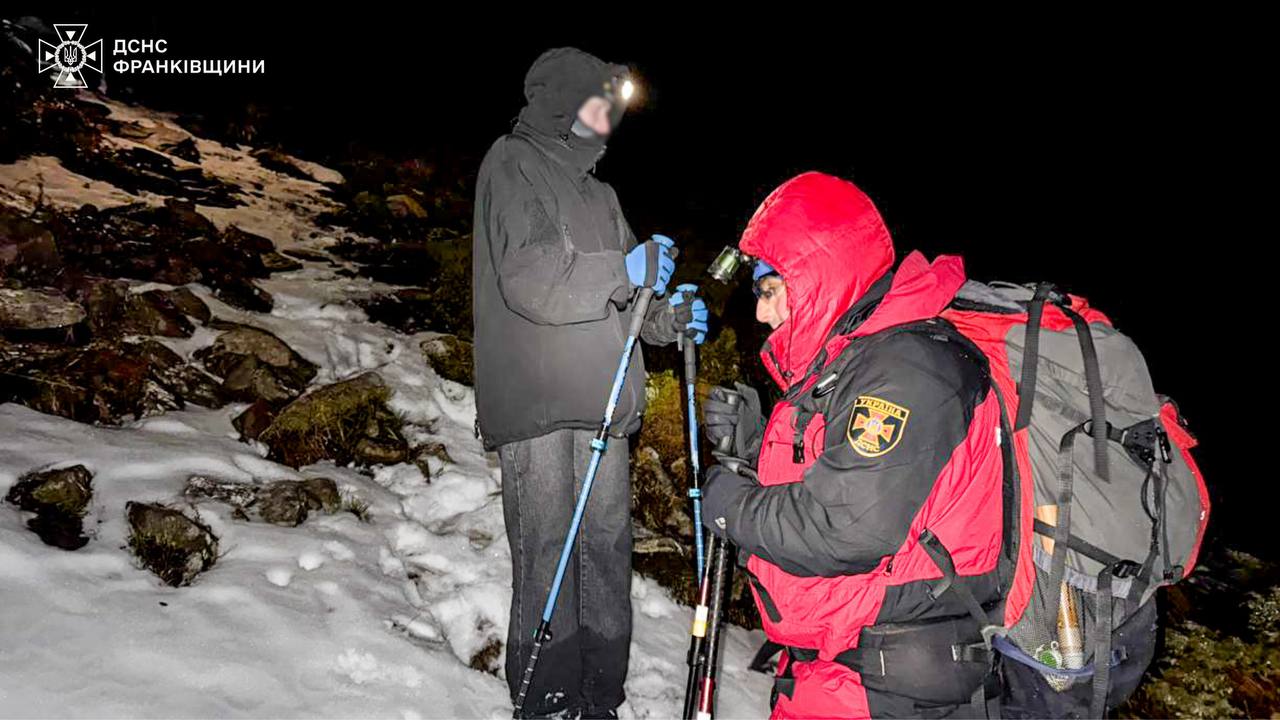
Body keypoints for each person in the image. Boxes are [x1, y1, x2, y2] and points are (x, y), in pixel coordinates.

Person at [701, 171, 1005, 719]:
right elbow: (843, 482)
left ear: (818, 275)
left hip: (895, 681)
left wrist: (729, 507)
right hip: (845, 665)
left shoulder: (908, 370)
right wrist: (750, 456)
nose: (761, 313)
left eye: (771, 292)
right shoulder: (855, 363)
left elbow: (841, 528)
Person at [472, 47, 707, 719]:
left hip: (604, 407)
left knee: (605, 552)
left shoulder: (602, 195)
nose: (606, 123)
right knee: (550, 549)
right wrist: (626, 268)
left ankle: (600, 694)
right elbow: (532, 278)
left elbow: (624, 298)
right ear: (560, 103)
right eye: (596, 106)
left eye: (612, 112)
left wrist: (667, 315)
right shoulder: (512, 163)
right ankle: (548, 697)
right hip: (541, 403)